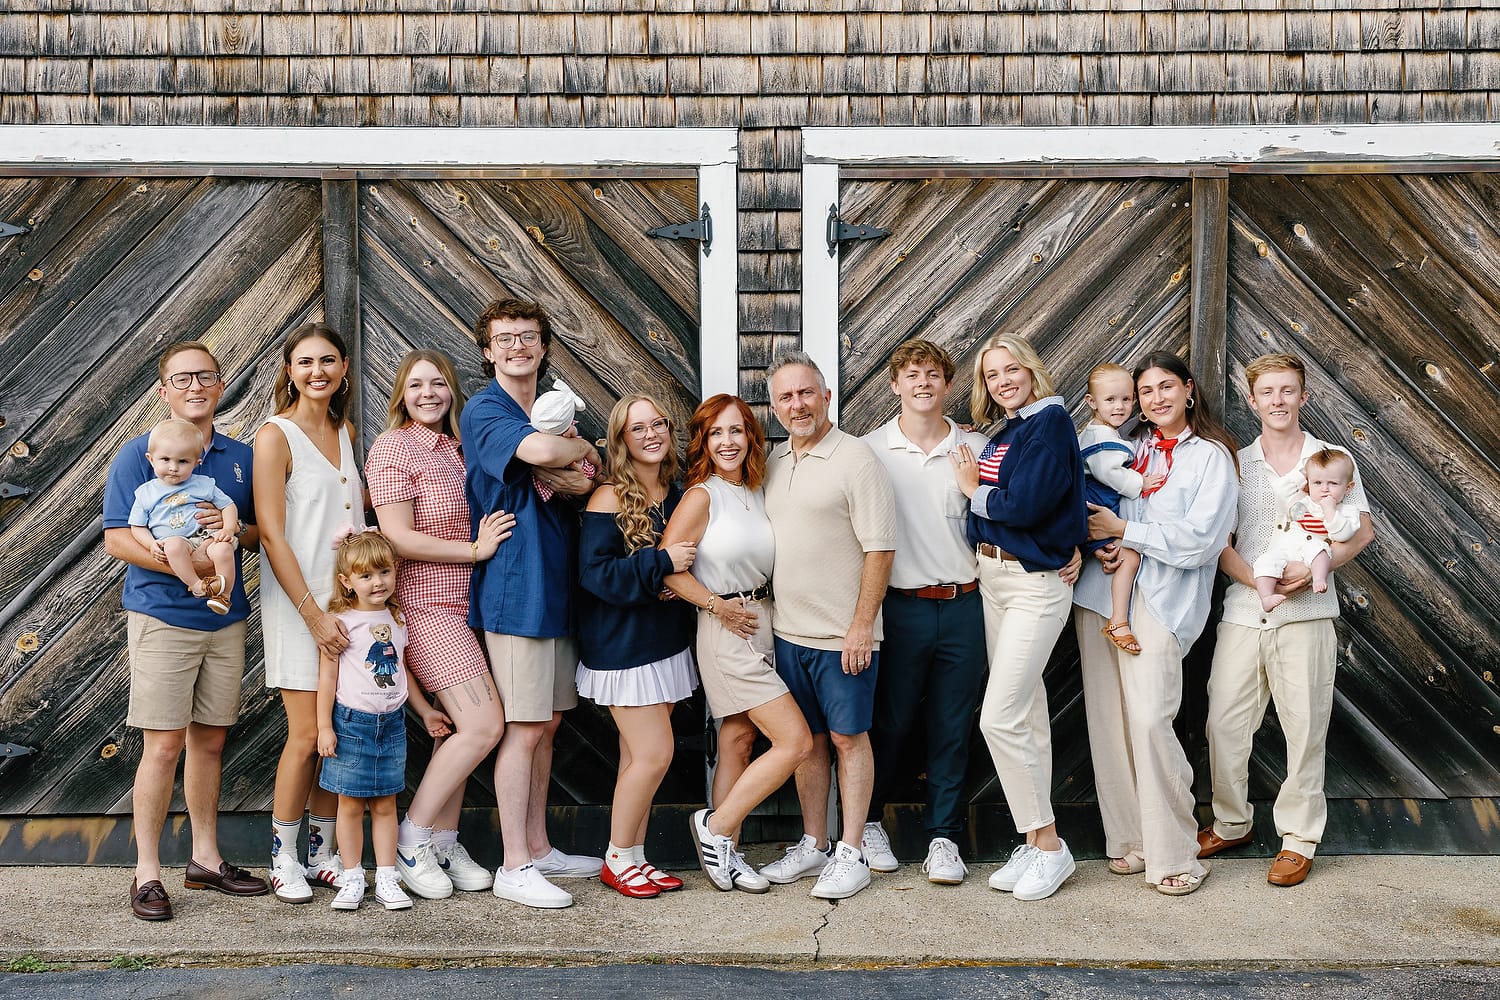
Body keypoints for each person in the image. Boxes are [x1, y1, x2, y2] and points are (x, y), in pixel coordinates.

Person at [103, 341, 269, 920]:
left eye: (206, 377)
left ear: (220, 386)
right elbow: (119, 538)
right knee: (164, 743)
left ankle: (205, 858)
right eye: (182, 378)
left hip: (224, 616)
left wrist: (228, 529)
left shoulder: (240, 457)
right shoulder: (141, 455)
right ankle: (147, 872)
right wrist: (191, 562)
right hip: (162, 616)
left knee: (210, 740)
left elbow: (254, 535)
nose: (195, 386)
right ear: (165, 389)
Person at [1198, 353, 1374, 888]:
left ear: (1303, 395)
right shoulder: (1234, 463)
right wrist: (1258, 581)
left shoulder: (1331, 458)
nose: (1278, 400)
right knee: (1224, 722)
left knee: (1305, 726)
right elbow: (1220, 544)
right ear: (1251, 401)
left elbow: (1360, 532)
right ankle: (1231, 821)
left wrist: (1310, 571)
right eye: (1267, 392)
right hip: (1245, 612)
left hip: (1309, 614)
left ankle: (1298, 839)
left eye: (1288, 390)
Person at [1074, 351, 1240, 896]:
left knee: (1149, 719)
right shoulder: (1130, 446)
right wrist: (1099, 544)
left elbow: (1202, 541)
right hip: (1101, 593)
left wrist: (1128, 531)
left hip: (1163, 598)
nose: (1156, 399)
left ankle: (1175, 852)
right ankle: (1130, 842)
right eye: (1146, 391)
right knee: (1109, 721)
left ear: (1189, 390)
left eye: (1166, 387)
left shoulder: (1211, 457)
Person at [461, 297, 604, 909]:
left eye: (528, 337)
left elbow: (586, 477)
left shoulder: (544, 408)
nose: (518, 346)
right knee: (520, 729)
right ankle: (514, 865)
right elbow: (552, 457)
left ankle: (540, 847)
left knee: (546, 724)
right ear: (488, 350)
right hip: (516, 589)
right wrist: (573, 451)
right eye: (505, 338)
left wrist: (575, 461)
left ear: (544, 347)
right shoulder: (486, 408)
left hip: (556, 584)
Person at [366, 350, 516, 900]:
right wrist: (473, 551)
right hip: (428, 607)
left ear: (452, 391)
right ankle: (412, 839)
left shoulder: (459, 447)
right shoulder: (393, 449)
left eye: (438, 384)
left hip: (475, 607)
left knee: (455, 730)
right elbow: (398, 537)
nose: (428, 393)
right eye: (415, 385)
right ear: (401, 395)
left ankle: (445, 841)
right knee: (483, 726)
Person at [950, 334, 1087, 901]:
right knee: (1026, 715)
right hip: (995, 579)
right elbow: (1028, 507)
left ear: (1032, 370)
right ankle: (1033, 844)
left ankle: (1051, 845)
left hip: (1034, 585)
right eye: (992, 375)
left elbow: (1025, 505)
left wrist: (972, 493)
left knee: (997, 718)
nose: (1003, 380)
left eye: (1012, 369)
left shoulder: (1050, 423)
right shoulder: (1011, 429)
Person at [759, 351, 897, 901]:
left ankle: (853, 850)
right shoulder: (773, 462)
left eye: (806, 393)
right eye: (786, 397)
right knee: (809, 743)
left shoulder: (856, 458)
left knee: (847, 737)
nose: (798, 405)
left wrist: (862, 625)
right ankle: (814, 843)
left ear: (827, 397)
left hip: (844, 636)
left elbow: (880, 548)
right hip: (789, 633)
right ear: (774, 407)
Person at [663, 394, 812, 894]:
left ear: (751, 436)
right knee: (795, 741)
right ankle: (718, 828)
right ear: (703, 442)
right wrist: (714, 605)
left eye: (736, 431)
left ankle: (726, 854)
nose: (726, 442)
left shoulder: (755, 489)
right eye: (715, 433)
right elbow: (668, 568)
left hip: (763, 620)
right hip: (726, 628)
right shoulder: (702, 496)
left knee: (738, 739)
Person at [858, 339, 991, 885]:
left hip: (966, 604)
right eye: (912, 375)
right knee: (889, 722)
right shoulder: (869, 450)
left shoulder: (977, 446)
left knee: (953, 726)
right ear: (895, 386)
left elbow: (1013, 511)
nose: (923, 383)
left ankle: (943, 838)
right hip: (899, 606)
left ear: (948, 384)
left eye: (933, 374)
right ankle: (865, 822)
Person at [253, 322, 365, 904]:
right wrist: (313, 617)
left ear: (344, 368)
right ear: (289, 372)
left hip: (352, 607)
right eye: (305, 363)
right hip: (302, 606)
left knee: (340, 733)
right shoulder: (276, 436)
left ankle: (324, 851)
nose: (317, 371)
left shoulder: (345, 429)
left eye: (328, 361)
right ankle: (284, 857)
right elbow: (271, 535)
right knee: (304, 735)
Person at [576, 395, 699, 899]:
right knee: (654, 754)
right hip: (623, 647)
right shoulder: (607, 498)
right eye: (637, 428)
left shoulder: (678, 492)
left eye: (658, 424)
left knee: (636, 759)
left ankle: (635, 855)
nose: (651, 434)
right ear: (621, 441)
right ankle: (617, 857)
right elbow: (596, 577)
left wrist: (676, 575)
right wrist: (662, 564)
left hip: (666, 640)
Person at [316, 529, 453, 911]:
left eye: (384, 572)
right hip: (351, 724)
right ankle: (353, 875)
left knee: (386, 805)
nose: (377, 582)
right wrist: (325, 726)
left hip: (391, 723)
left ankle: (388, 877)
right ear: (346, 581)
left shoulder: (397, 617)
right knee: (349, 805)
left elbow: (401, 671)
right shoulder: (340, 621)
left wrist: (424, 709)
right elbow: (327, 677)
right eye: (366, 576)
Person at [1078, 363, 1164, 655]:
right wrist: (1140, 482)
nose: (1120, 407)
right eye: (1110, 400)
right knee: (1130, 557)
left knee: (1118, 553)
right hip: (1095, 504)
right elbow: (1109, 473)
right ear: (1092, 402)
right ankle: (1118, 620)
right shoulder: (1102, 439)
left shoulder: (1099, 432)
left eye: (1126, 399)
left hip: (1095, 506)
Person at [128, 418, 240, 616]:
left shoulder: (203, 484)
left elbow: (228, 505)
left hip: (205, 535)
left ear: (196, 463)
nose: (173, 467)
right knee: (173, 547)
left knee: (223, 549)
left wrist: (228, 529)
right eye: (165, 460)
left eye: (183, 461)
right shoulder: (146, 493)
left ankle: (223, 596)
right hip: (178, 541)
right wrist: (151, 545)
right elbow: (137, 526)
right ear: (150, 459)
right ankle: (196, 585)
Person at [1251, 448, 1361, 612]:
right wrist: (1304, 472)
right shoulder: (1302, 501)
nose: (1324, 488)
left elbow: (1343, 535)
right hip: (1285, 551)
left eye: (1333, 483)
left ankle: (1318, 579)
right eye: (1317, 482)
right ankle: (1266, 597)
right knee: (1263, 562)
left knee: (1320, 550)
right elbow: (1281, 492)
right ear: (1308, 483)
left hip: (1310, 553)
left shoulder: (1346, 512)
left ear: (1348, 487)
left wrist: (1330, 511)